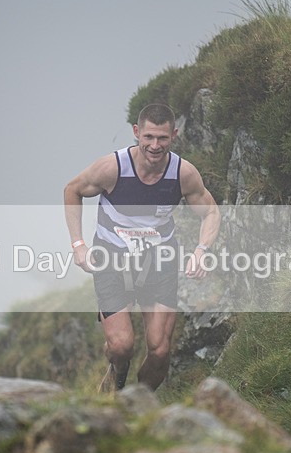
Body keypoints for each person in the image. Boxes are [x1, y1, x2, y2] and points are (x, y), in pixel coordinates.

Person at [64, 103, 220, 392]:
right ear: (137, 132)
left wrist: (201, 251)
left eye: (162, 138)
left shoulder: (183, 174)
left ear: (174, 134)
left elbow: (210, 212)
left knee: (159, 350)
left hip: (159, 260)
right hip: (111, 259)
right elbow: (72, 190)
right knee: (122, 346)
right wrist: (78, 245)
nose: (155, 145)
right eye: (148, 137)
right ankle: (116, 369)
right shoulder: (113, 167)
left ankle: (135, 405)